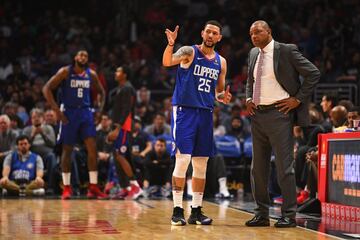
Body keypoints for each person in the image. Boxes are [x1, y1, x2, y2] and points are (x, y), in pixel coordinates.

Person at [245, 20, 320, 228]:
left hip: (280, 114)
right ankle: (261, 213)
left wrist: (297, 98)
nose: (254, 36)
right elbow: (250, 81)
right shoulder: (253, 54)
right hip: (257, 116)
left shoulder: (286, 51)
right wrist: (248, 99)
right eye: (251, 33)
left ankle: (288, 214)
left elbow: (313, 73)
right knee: (257, 169)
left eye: (258, 32)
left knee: (284, 168)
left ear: (269, 31)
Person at [163, 20, 232, 226]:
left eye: (215, 33)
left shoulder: (221, 62)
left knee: (201, 165)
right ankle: (177, 210)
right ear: (202, 33)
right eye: (208, 32)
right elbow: (167, 62)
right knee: (182, 160)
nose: (211, 35)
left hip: (205, 113)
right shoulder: (188, 52)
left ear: (219, 37)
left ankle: (196, 210)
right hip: (185, 111)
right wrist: (170, 44)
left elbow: (218, 91)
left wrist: (223, 97)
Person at [42, 50, 107, 199]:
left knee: (92, 148)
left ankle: (93, 187)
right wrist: (57, 111)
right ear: (75, 58)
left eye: (86, 55)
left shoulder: (91, 74)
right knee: (67, 149)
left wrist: (99, 111)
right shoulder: (65, 71)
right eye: (80, 55)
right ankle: (66, 188)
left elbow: (102, 92)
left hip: (85, 112)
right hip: (69, 113)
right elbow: (46, 88)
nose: (83, 57)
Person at [107, 65, 143, 200]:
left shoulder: (127, 88)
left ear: (125, 74)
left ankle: (135, 186)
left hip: (123, 127)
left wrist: (117, 129)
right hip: (118, 126)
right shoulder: (120, 89)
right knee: (119, 157)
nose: (115, 73)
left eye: (118, 71)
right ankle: (125, 188)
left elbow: (126, 110)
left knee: (120, 156)